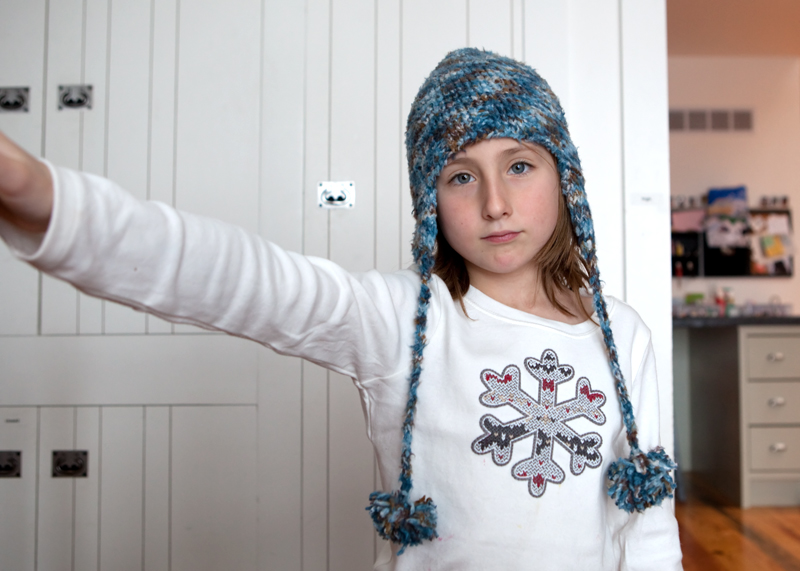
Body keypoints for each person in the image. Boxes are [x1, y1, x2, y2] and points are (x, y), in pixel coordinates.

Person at [0, 48, 682, 569]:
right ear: (431, 202)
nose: (495, 202)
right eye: (461, 175)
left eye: (521, 164)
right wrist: (43, 197)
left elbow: (645, 529)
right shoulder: (400, 320)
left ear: (565, 178)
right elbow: (234, 276)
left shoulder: (621, 334)